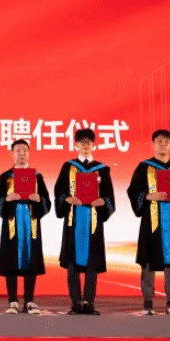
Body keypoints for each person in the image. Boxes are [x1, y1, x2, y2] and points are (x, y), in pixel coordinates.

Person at [128, 129, 170, 315]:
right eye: (159, 141)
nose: (163, 144)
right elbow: (133, 191)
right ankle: (148, 302)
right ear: (153, 144)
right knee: (148, 261)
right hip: (152, 222)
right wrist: (149, 196)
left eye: (166, 142)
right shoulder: (144, 167)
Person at [54, 128, 115, 315]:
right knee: (72, 261)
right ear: (76, 145)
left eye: (89, 142)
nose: (86, 145)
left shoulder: (102, 169)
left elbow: (109, 195)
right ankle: (75, 302)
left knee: (92, 261)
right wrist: (67, 198)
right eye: (82, 142)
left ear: (94, 145)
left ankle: (88, 302)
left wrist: (103, 201)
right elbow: (59, 191)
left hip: (93, 220)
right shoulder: (68, 167)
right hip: (74, 219)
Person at [0, 139, 52, 314]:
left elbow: (47, 201)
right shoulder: (5, 177)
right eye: (17, 151)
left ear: (29, 153)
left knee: (31, 260)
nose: (21, 154)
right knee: (10, 260)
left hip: (31, 223)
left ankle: (29, 300)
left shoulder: (37, 177)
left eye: (24, 150)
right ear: (12, 154)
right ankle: (12, 301)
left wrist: (39, 199)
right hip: (12, 223)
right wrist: (6, 199)